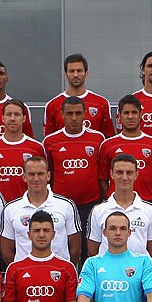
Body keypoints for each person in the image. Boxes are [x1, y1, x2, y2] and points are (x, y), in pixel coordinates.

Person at [75, 212, 152, 302]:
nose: (117, 233)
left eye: (122, 229)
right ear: (104, 232)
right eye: (112, 228)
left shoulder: (144, 261)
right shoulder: (92, 263)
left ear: (129, 232)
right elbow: (83, 295)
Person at [2, 210, 80, 302]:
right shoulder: (15, 268)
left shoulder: (66, 268)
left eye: (46, 230)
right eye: (36, 231)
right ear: (29, 235)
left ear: (53, 234)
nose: (41, 235)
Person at [0, 156, 81, 265]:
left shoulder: (66, 205)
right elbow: (6, 251)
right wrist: (22, 270)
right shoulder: (11, 209)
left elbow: (75, 248)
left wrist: (62, 269)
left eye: (40, 174)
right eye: (31, 174)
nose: (36, 178)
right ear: (24, 177)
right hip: (24, 275)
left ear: (48, 176)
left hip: (58, 275)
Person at [44, 96, 107, 231]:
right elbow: (49, 174)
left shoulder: (98, 138)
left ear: (85, 114)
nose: (74, 118)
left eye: (78, 113)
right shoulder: (50, 141)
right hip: (61, 205)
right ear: (62, 114)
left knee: (88, 247)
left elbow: (103, 173)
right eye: (69, 113)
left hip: (90, 204)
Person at [88, 154, 152, 261]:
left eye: (129, 173)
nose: (124, 177)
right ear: (112, 174)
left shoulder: (150, 210)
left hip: (139, 274)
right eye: (119, 172)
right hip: (107, 273)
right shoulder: (98, 210)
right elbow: (93, 250)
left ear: (136, 175)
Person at [98, 94, 152, 204]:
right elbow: (103, 179)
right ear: (119, 116)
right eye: (126, 113)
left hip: (146, 203)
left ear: (141, 114)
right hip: (115, 206)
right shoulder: (107, 145)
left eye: (134, 112)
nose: (130, 117)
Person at [0, 99, 45, 203]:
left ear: (24, 118)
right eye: (9, 114)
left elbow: (43, 179)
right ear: (3, 118)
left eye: (17, 114)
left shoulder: (36, 147)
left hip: (27, 206)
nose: (13, 118)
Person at [44, 53, 115, 138]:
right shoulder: (52, 105)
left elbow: (108, 139)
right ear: (65, 75)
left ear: (86, 73)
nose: (75, 75)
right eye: (71, 71)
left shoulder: (102, 103)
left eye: (79, 70)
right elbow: (49, 140)